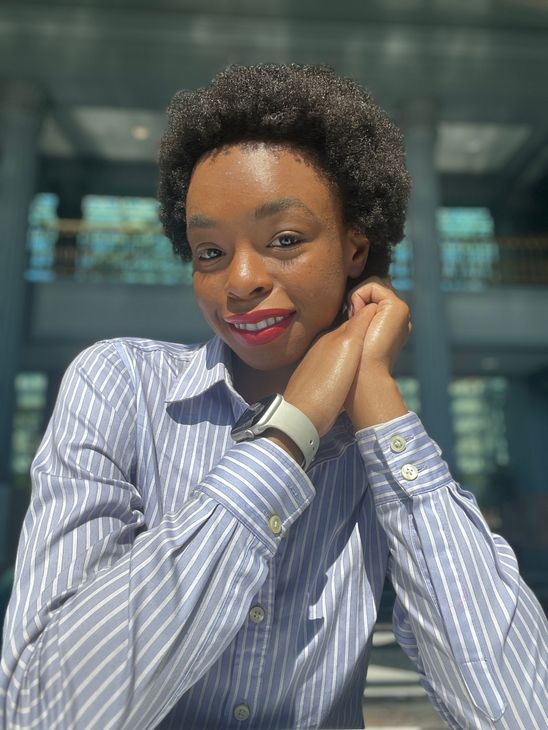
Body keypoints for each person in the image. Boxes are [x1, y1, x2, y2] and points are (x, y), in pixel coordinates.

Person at [1, 63, 546, 730]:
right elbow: (38, 711)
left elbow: (520, 709)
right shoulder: (118, 386)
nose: (241, 280)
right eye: (209, 252)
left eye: (284, 240)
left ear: (355, 248)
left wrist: (371, 391)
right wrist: (292, 431)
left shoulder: (382, 452)